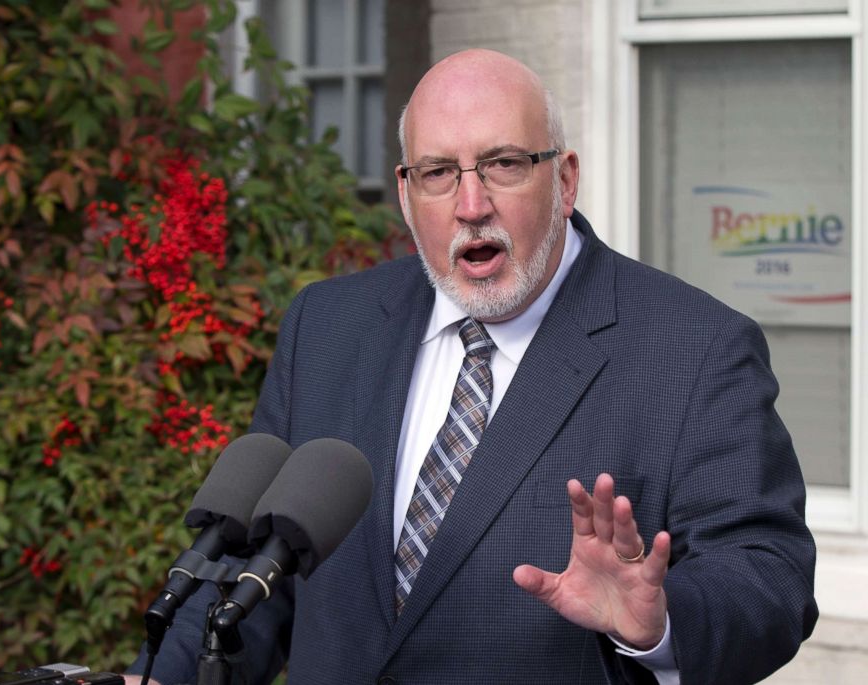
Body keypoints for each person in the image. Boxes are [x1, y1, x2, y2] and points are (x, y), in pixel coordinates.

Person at [127, 48, 817, 684]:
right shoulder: (327, 327)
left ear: (565, 178)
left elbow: (772, 581)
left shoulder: (694, 348)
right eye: (437, 173)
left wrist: (660, 619)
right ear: (405, 193)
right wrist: (162, 674)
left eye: (504, 164)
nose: (470, 205)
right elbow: (258, 568)